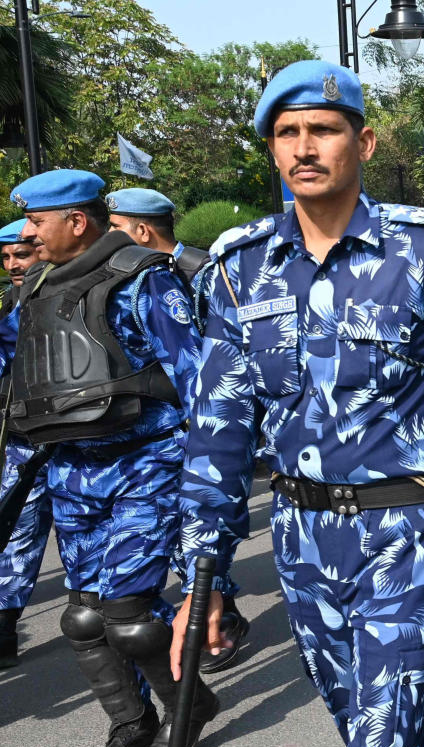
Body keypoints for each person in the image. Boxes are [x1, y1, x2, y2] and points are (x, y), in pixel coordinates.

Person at [172, 60, 424, 747]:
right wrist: (201, 575)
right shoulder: (239, 270)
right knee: (384, 741)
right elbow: (218, 437)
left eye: (324, 130)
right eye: (287, 132)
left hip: (405, 532)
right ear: (273, 150)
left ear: (363, 141)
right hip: (301, 537)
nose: (305, 146)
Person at [2, 169, 218, 747]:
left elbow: (199, 378)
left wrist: (208, 473)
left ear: (76, 221)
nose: (26, 234)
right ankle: (131, 722)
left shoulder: (142, 280)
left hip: (145, 464)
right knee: (84, 616)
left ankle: (188, 704)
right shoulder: (34, 288)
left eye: (37, 222)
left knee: (127, 612)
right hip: (71, 467)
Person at [106, 187, 251, 672]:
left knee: (201, 529)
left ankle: (221, 616)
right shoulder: (125, 276)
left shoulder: (197, 270)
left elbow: (202, 362)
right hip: (163, 427)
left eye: (116, 228)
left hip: (198, 421)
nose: (110, 239)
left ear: (142, 231)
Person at [0, 220, 54, 669]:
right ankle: (4, 625)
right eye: (6, 258)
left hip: (95, 439)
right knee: (18, 532)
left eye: (21, 254)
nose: (14, 265)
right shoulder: (8, 305)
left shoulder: (82, 290)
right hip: (24, 438)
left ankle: (217, 609)